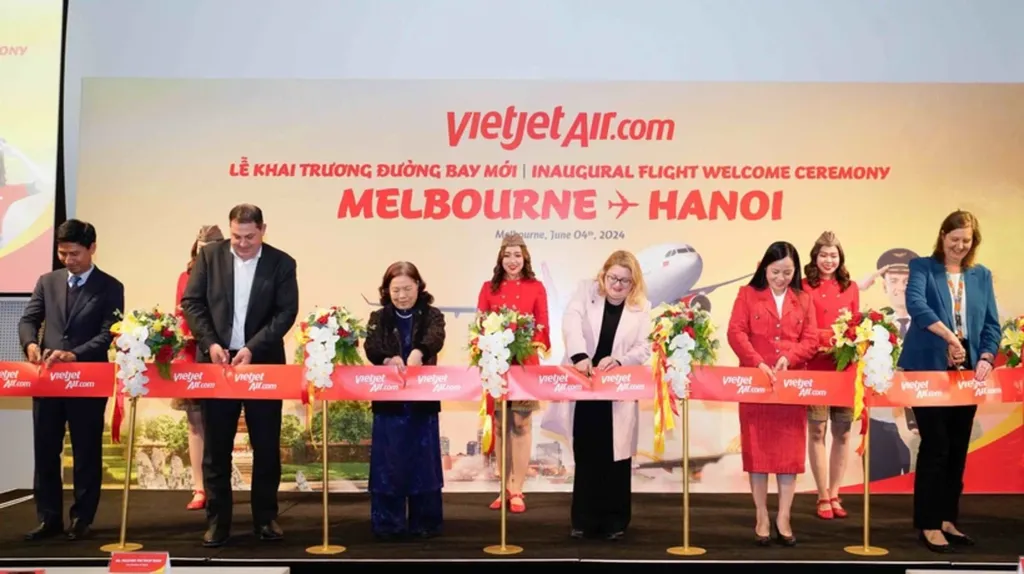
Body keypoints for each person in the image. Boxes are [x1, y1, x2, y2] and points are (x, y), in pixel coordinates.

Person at [180, 204, 299, 547]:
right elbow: (192, 303)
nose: (243, 243)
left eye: (250, 237)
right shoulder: (209, 257)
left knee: (266, 446)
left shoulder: (281, 263)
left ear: (263, 230)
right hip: (218, 363)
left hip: (262, 365)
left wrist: (253, 348)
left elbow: (286, 312)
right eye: (236, 236)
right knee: (217, 448)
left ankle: (265, 518)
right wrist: (210, 343)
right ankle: (218, 522)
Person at [899, 210, 1000, 553]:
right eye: (954, 239)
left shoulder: (981, 275)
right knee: (936, 444)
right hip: (928, 368)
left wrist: (986, 356)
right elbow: (917, 305)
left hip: (967, 370)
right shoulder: (922, 267)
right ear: (942, 236)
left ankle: (946, 518)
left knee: (957, 446)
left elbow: (991, 324)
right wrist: (950, 338)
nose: (959, 246)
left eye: (966, 241)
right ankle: (928, 523)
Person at [18, 219, 124, 541]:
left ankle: (82, 518)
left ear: (92, 248)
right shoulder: (47, 281)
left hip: (87, 381)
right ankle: (48, 518)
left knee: (86, 451)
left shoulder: (110, 286)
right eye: (62, 253)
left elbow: (108, 334)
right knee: (45, 450)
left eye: (74, 253)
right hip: (48, 381)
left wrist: (74, 354)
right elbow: (28, 320)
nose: (68, 260)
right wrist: (30, 344)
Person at [727, 241, 818, 547]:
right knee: (758, 453)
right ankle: (762, 515)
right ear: (764, 268)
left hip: (790, 386)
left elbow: (811, 340)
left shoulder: (803, 299)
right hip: (755, 383)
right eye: (775, 271)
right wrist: (757, 362)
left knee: (788, 455)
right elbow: (736, 332)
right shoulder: (747, 294)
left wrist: (790, 357)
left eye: (787, 272)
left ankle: (784, 517)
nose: (781, 278)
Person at [559, 250, 651, 540]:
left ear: (634, 283)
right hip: (586, 383)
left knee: (617, 455)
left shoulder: (642, 307)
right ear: (603, 275)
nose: (618, 285)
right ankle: (583, 520)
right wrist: (579, 355)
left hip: (618, 387)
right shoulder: (585, 291)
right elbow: (571, 322)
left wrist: (621, 360)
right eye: (613, 278)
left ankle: (615, 521)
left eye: (625, 281)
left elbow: (644, 347)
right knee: (587, 452)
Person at [363, 261, 447, 540]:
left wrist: (419, 352)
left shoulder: (433, 315)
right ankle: (388, 523)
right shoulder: (378, 317)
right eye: (396, 290)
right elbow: (371, 346)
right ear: (387, 290)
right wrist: (388, 359)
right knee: (388, 462)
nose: (401, 295)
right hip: (389, 403)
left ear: (418, 286)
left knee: (424, 461)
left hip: (423, 401)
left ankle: (426, 522)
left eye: (407, 289)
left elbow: (436, 337)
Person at [476, 233, 550, 513]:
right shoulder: (488, 288)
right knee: (499, 424)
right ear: (500, 258)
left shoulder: (536, 287)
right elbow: (480, 323)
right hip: (496, 364)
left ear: (525, 258)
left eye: (517, 255)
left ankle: (517, 489)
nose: (512, 260)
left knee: (520, 422)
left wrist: (525, 340)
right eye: (507, 255)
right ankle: (503, 487)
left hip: (525, 362)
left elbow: (542, 324)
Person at [801, 232, 859, 520]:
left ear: (840, 258)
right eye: (823, 255)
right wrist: (824, 339)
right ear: (815, 257)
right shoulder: (803, 286)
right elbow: (800, 325)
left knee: (843, 431)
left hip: (844, 368)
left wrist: (850, 339)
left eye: (833, 255)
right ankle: (822, 494)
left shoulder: (851, 287)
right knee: (817, 430)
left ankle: (836, 492)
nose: (828, 260)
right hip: (814, 367)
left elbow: (856, 325)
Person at [172, 224, 224, 511]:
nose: (206, 255)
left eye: (211, 249)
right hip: (193, 353)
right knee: (195, 422)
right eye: (202, 249)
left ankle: (223, 487)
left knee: (225, 422)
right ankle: (200, 487)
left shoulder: (232, 273)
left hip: (225, 355)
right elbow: (181, 312)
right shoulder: (186, 276)